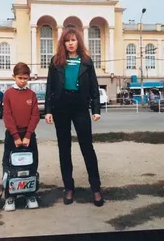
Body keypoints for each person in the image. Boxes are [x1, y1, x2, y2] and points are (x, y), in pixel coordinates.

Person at [44, 27, 104, 207]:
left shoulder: (86, 61)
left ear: (78, 41)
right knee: (64, 148)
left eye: (73, 40)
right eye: (67, 40)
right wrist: (48, 110)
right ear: (63, 43)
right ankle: (69, 188)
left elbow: (94, 87)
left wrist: (96, 109)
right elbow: (49, 88)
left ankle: (96, 189)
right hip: (61, 107)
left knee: (87, 148)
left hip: (80, 108)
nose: (70, 43)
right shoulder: (56, 62)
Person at [2, 62, 40, 211]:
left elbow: (35, 115)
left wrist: (28, 135)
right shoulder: (8, 94)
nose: (23, 81)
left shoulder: (32, 95)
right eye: (20, 78)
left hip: (29, 135)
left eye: (26, 78)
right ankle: (10, 196)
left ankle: (30, 194)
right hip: (13, 136)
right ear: (14, 77)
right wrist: (16, 136)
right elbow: (7, 116)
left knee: (31, 163)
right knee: (10, 164)